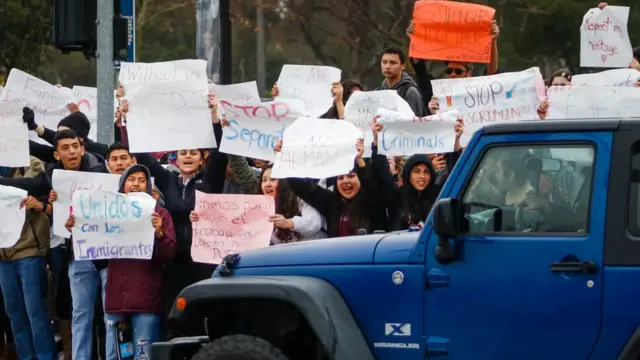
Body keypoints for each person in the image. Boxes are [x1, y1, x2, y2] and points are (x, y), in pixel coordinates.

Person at [65, 164, 176, 360]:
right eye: (131, 180)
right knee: (115, 355)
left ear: (149, 187)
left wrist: (159, 234)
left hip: (145, 300)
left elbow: (168, 254)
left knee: (143, 356)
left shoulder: (160, 215)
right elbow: (94, 248)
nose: (136, 184)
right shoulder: (106, 212)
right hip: (117, 301)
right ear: (122, 185)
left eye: (142, 181)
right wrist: (77, 227)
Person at [0, 157, 56, 360]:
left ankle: (46, 356)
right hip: (3, 253)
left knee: (35, 311)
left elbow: (32, 185)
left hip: (29, 248)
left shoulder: (30, 163)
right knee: (14, 312)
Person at [377, 47, 426, 116]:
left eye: (393, 63)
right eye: (384, 62)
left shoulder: (410, 92)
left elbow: (416, 123)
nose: (387, 66)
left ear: (402, 66)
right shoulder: (379, 91)